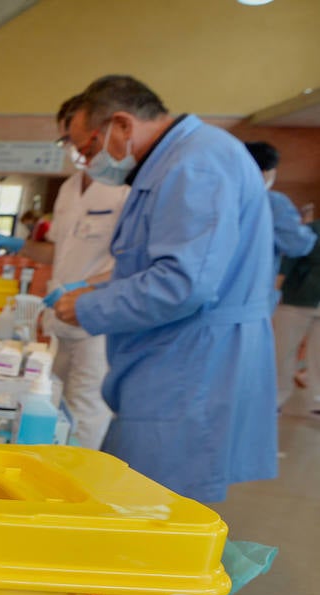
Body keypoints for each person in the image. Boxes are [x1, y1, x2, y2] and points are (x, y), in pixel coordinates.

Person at [52, 75, 276, 503]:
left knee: (148, 510)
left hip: (192, 368)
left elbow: (183, 283)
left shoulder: (196, 165)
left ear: (121, 125)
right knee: (134, 496)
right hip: (175, 357)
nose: (90, 162)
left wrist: (91, 306)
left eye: (90, 148)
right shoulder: (172, 162)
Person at [25, 93, 129, 450]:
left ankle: (77, 488)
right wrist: (18, 247)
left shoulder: (125, 189)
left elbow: (131, 266)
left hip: (96, 321)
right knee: (51, 400)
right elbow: (57, 250)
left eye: (79, 140)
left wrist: (84, 285)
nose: (76, 149)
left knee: (86, 410)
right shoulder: (69, 188)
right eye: (67, 140)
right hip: (60, 315)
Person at [243, 141, 317, 274]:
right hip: (255, 286)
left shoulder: (220, 198)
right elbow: (298, 246)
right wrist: (306, 225)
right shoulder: (274, 203)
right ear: (267, 172)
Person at [273, 218, 320, 411]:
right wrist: (276, 291)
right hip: (297, 299)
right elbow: (288, 261)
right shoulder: (311, 230)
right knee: (283, 351)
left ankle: (317, 399)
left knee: (318, 354)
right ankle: (276, 398)